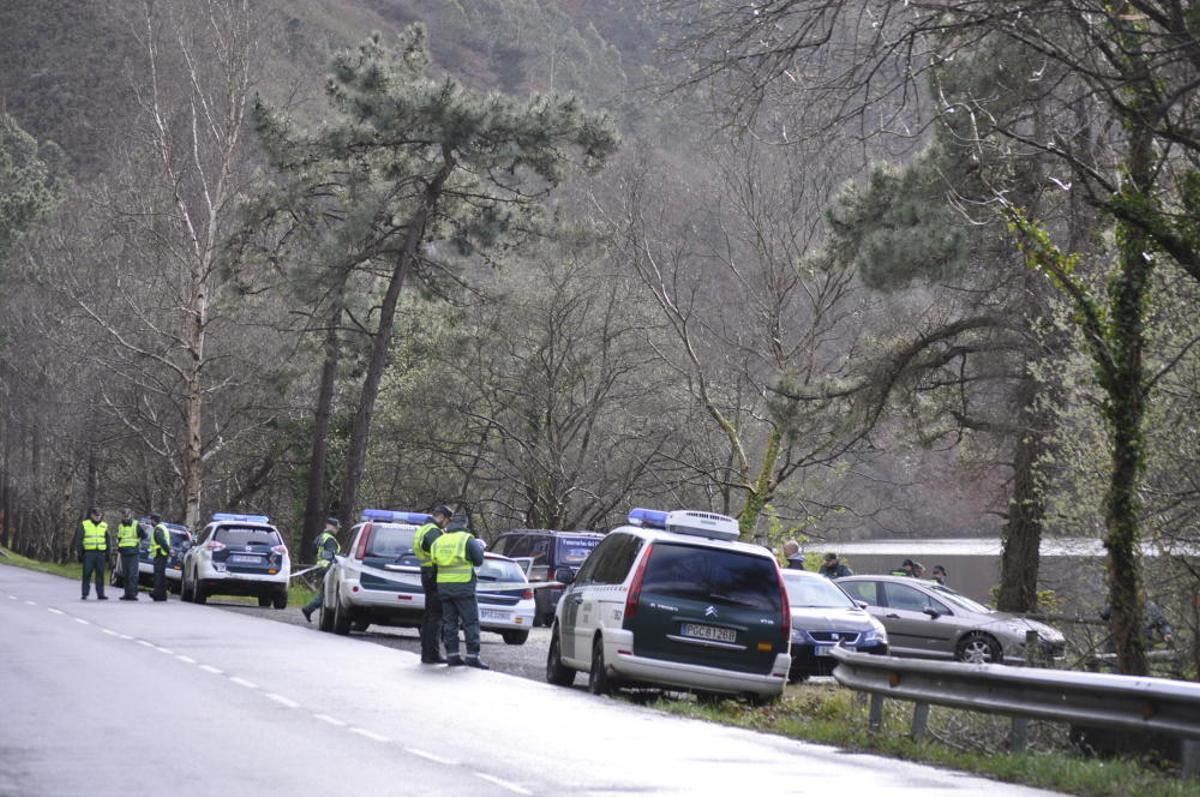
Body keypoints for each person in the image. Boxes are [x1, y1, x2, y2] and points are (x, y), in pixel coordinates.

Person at [430, 517, 488, 669]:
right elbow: (478, 560)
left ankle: (452, 655)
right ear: (464, 525)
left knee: (449, 623)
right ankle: (472, 656)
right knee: (470, 622)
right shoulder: (467, 539)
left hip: (443, 587)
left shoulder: (439, 541)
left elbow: (434, 565)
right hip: (463, 587)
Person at [414, 505, 453, 664]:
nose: (447, 524)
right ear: (442, 517)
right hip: (434, 575)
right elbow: (441, 551)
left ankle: (427, 653)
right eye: (448, 520)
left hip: (428, 573)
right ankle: (432, 654)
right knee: (435, 618)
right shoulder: (432, 531)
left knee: (430, 616)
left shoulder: (424, 528)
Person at [301, 518, 341, 622]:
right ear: (330, 526)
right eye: (336, 528)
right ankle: (308, 609)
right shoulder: (330, 539)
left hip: (320, 567)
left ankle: (309, 609)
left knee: (325, 593)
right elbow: (332, 556)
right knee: (327, 594)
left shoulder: (320, 537)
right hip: (328, 568)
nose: (337, 530)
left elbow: (314, 551)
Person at [74, 507, 111, 600]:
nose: (98, 517)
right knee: (87, 574)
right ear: (91, 515)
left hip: (100, 553)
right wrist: (80, 554)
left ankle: (101, 594)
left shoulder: (104, 526)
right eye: (96, 515)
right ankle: (85, 593)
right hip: (89, 553)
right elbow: (79, 540)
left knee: (100, 575)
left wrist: (108, 554)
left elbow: (108, 541)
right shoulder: (85, 524)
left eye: (99, 515)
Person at [115, 508, 144, 601]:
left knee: (132, 574)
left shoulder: (136, 525)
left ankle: (133, 594)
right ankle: (126, 593)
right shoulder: (120, 526)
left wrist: (138, 542)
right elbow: (119, 538)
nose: (126, 518)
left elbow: (144, 535)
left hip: (133, 553)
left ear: (130, 515)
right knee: (125, 574)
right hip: (124, 553)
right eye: (124, 516)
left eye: (127, 516)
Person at [148, 514, 171, 602]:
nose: (151, 522)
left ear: (154, 520)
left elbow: (162, 541)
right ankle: (162, 595)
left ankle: (157, 594)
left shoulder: (158, 529)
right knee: (161, 575)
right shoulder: (163, 527)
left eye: (151, 520)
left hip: (160, 554)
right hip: (162, 554)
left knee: (158, 575)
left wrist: (168, 550)